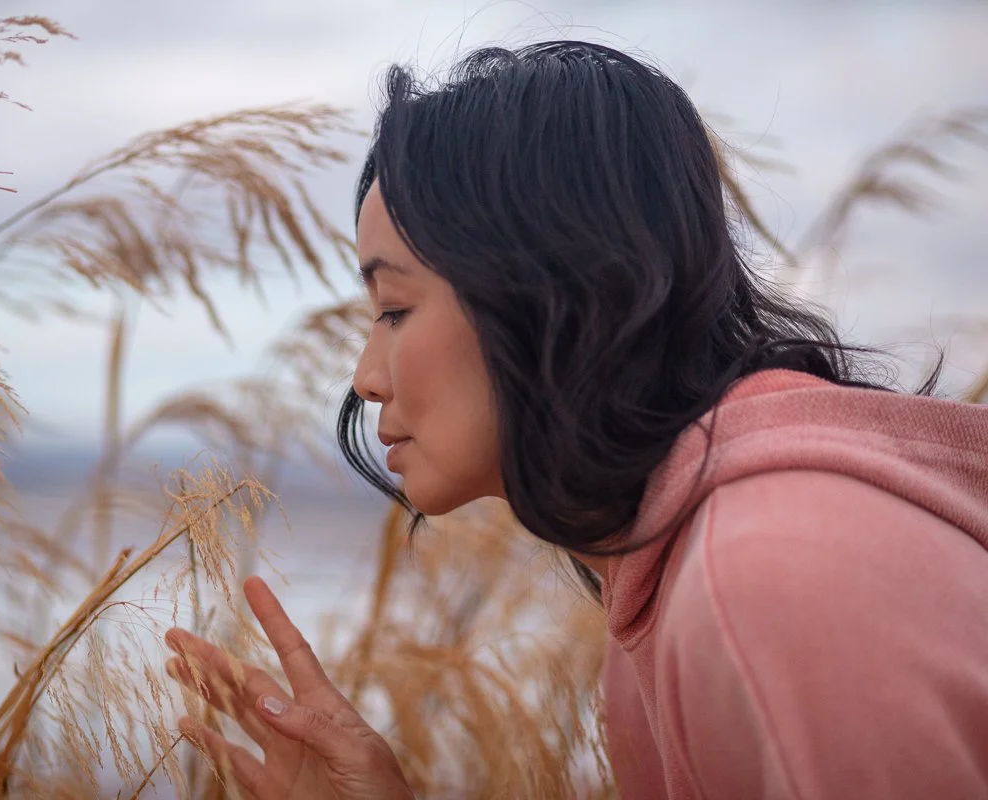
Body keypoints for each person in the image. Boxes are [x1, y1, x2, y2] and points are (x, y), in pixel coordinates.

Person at [163, 40, 988, 799]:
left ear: (547, 291)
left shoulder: (773, 578)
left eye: (395, 309)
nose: (365, 379)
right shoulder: (674, 568)